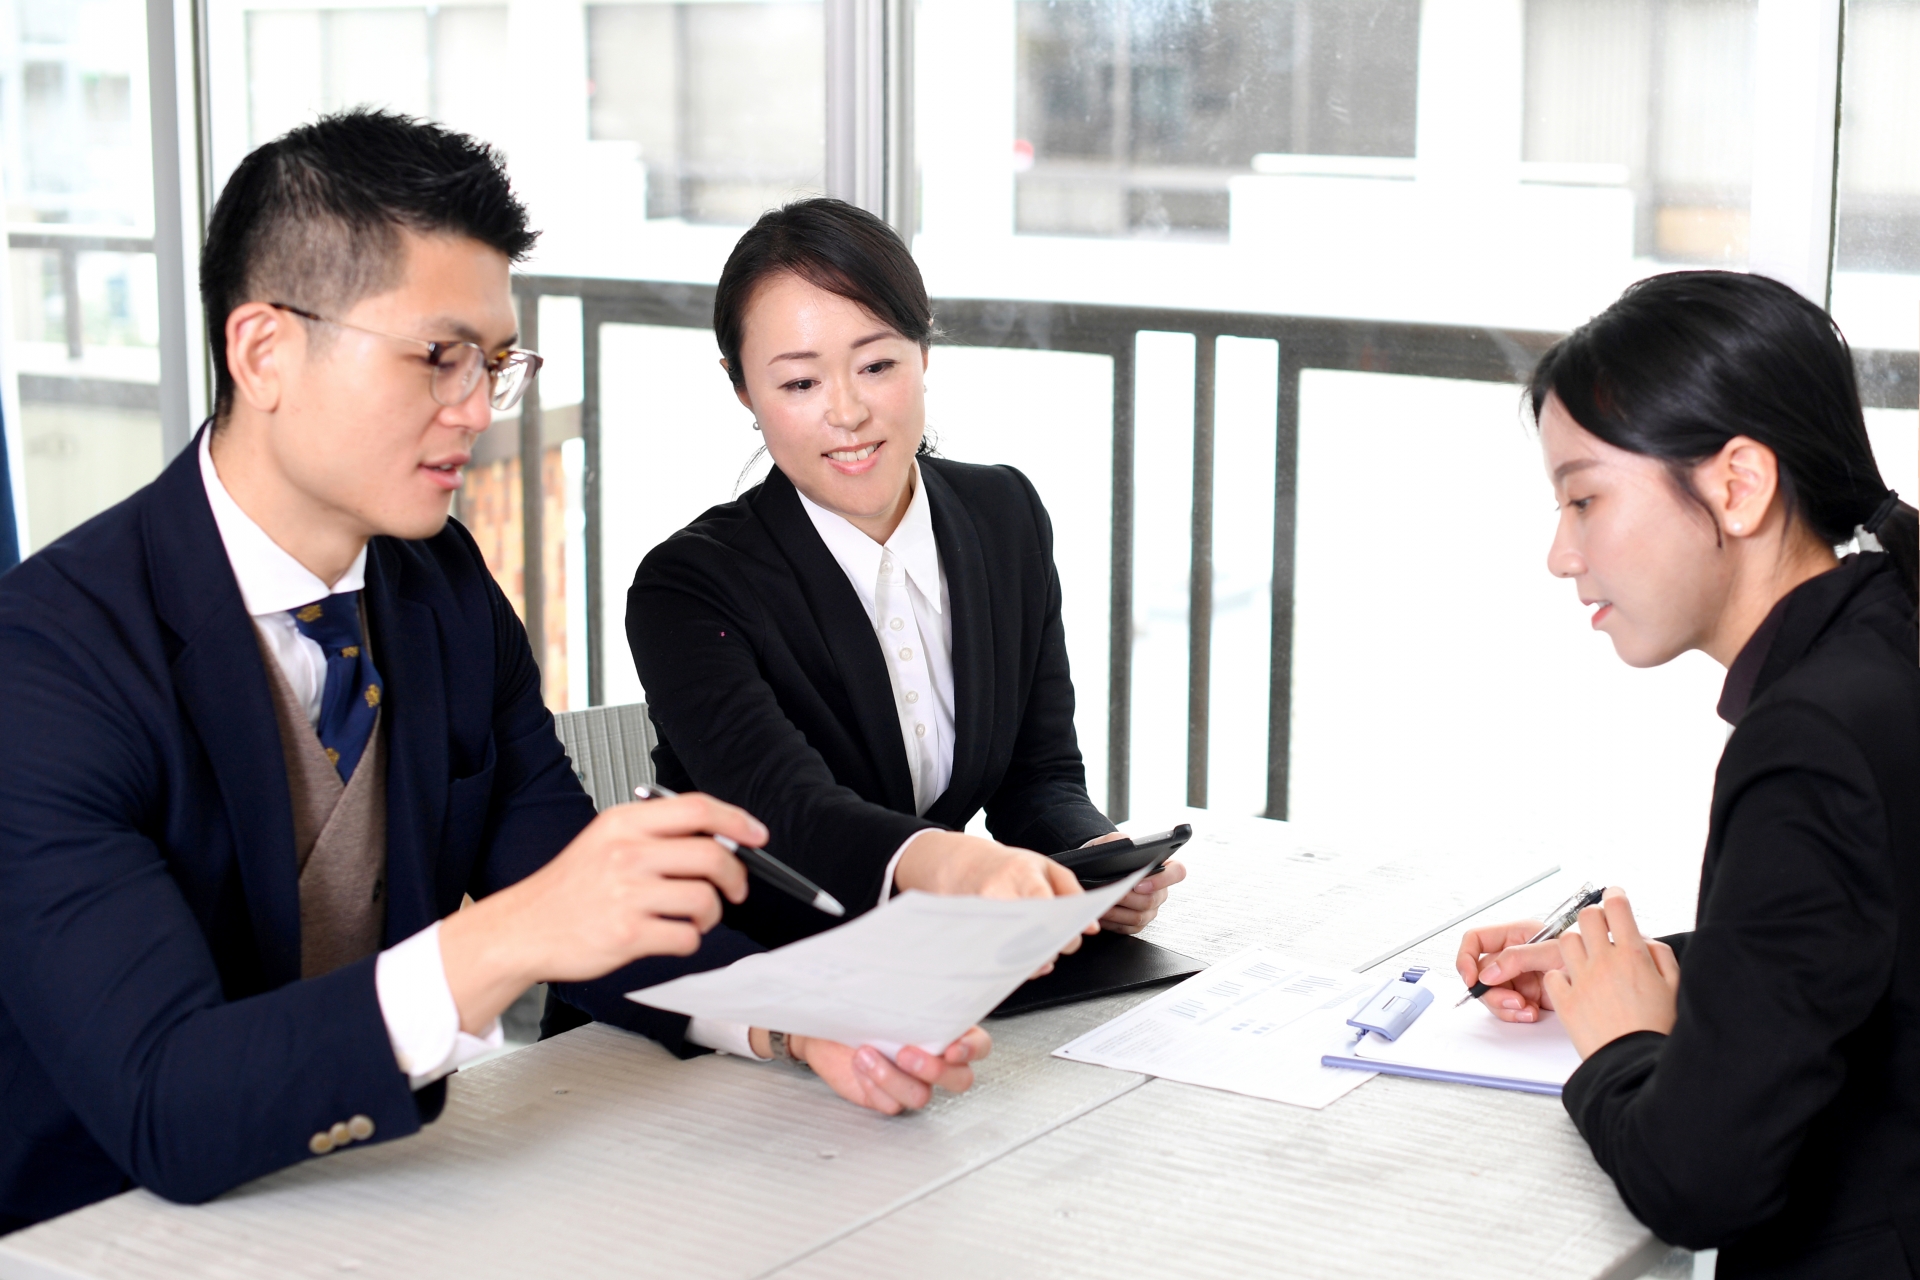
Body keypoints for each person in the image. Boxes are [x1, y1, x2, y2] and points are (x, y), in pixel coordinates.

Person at [0, 113, 984, 1234]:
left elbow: (574, 876)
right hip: (96, 1229)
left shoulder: (439, 584)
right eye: (437, 355)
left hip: (377, 1203)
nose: (476, 408)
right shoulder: (47, 657)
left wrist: (798, 1018)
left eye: (495, 361)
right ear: (264, 350)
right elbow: (162, 1099)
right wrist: (510, 934)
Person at [1453, 271, 1920, 1278]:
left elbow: (1700, 1179)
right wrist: (1622, 970)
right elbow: (1868, 944)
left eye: (1584, 497)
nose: (1559, 553)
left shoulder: (1811, 737)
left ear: (1738, 485)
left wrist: (1619, 1044)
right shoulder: (1888, 633)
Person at [623, 198, 1186, 952]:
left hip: (933, 966)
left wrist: (1087, 863)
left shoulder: (1004, 514)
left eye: (877, 365)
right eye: (799, 385)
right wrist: (959, 863)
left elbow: (1039, 774)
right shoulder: (686, 587)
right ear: (743, 392)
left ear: (924, 353)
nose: (848, 412)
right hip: (733, 987)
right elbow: (785, 812)